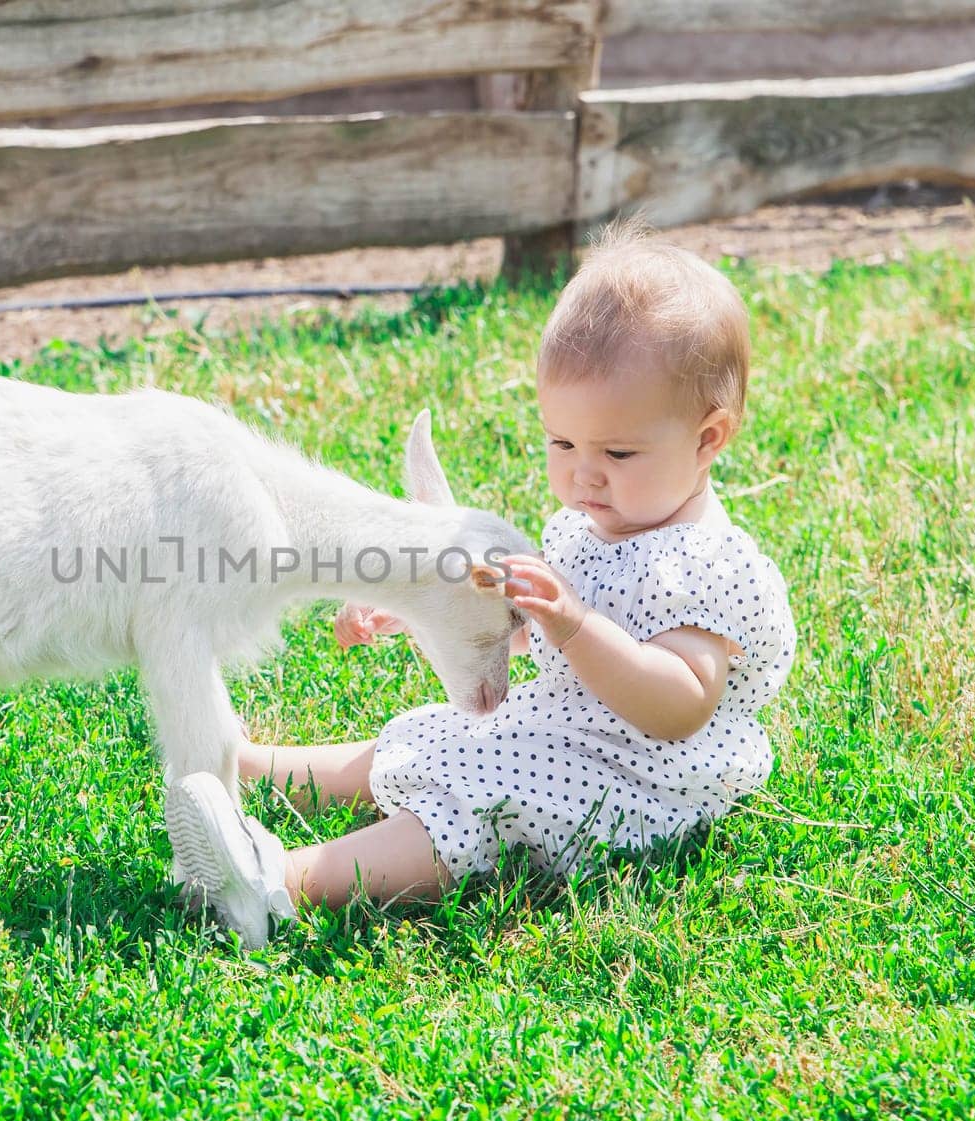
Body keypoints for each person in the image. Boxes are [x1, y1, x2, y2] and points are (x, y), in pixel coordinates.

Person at [164, 225, 797, 948]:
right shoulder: (589, 524)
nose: (582, 473)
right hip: (560, 733)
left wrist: (575, 625)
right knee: (430, 736)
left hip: (638, 780)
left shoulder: (706, 565)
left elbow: (679, 704)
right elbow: (525, 627)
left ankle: (282, 879)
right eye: (562, 443)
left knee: (471, 810)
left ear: (709, 437)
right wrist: (422, 610)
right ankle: (249, 767)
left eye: (617, 451)